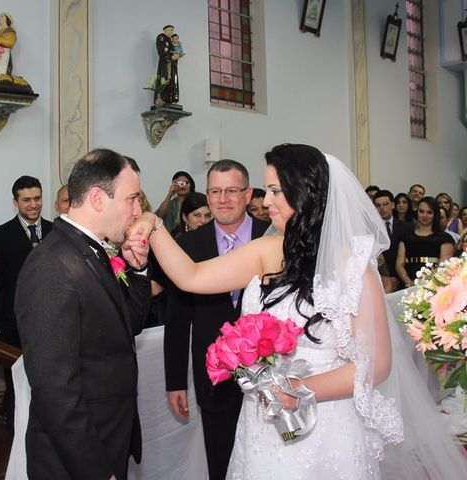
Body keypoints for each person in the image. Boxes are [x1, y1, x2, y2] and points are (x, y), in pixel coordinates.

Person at [129, 144, 467, 478]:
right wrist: (152, 224)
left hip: (327, 422)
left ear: (305, 191)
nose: (267, 200)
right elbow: (192, 276)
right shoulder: (265, 250)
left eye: (276, 190)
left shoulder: (352, 265)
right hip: (263, 424)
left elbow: (376, 365)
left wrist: (297, 389)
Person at [15, 149, 151, 479]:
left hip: (108, 435)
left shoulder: (93, 250)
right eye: (131, 199)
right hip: (75, 459)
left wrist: (138, 270)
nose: (138, 211)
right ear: (97, 198)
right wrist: (96, 470)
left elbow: (127, 326)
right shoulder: (52, 265)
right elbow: (55, 390)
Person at [165, 160, 269, 480]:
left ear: (248, 194)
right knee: (221, 462)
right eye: (215, 191)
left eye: (232, 190)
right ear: (207, 196)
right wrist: (175, 382)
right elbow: (178, 319)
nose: (223, 199)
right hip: (214, 375)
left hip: (272, 373)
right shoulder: (189, 245)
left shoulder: (274, 239)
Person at [0, 175, 52, 432]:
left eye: (37, 198)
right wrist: (1, 325)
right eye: (27, 200)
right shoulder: (0, 235)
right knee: (17, 387)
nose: (33, 204)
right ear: (15, 202)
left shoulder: (55, 230)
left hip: (51, 322)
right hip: (15, 325)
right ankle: (15, 442)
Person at [395, 196, 455, 288]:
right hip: (407, 287)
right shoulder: (406, 237)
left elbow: (444, 266)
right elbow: (399, 265)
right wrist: (409, 283)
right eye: (421, 211)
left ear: (435, 214)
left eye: (429, 212)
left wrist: (427, 284)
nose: (424, 215)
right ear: (417, 212)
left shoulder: (445, 238)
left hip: (435, 287)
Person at [373, 190, 412, 291]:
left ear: (393, 205)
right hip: (379, 279)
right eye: (378, 205)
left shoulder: (406, 227)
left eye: (385, 204)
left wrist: (397, 277)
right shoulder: (370, 229)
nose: (381, 208)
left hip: (401, 279)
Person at [155, 25, 180, 105]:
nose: (172, 32)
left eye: (173, 30)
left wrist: (176, 56)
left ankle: (171, 99)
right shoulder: (161, 37)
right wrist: (170, 56)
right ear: (165, 30)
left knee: (173, 80)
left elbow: (173, 50)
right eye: (171, 30)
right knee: (164, 78)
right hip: (165, 63)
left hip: (172, 64)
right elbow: (161, 50)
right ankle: (162, 98)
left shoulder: (170, 40)